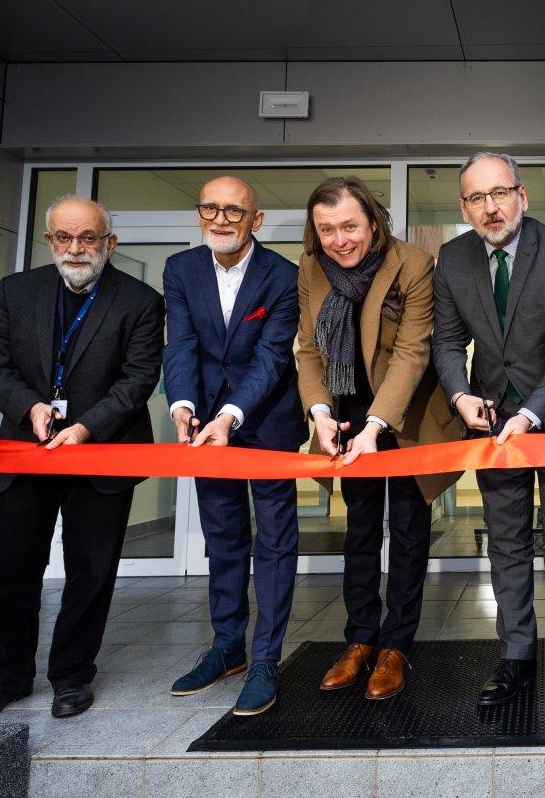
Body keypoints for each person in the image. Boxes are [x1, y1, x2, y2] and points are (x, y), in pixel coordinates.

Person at [0, 195, 164, 722]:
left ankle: (72, 675)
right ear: (49, 241)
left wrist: (85, 427)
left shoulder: (140, 300)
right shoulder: (15, 291)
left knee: (90, 571)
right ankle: (2, 678)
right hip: (27, 448)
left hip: (103, 452)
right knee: (9, 569)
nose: (76, 248)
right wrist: (31, 407)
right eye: (64, 237)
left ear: (109, 243)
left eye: (88, 237)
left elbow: (138, 379)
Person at [431, 151, 545, 725]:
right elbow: (447, 342)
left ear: (522, 196)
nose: (491, 207)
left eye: (500, 193)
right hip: (490, 415)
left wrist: (528, 414)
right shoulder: (453, 258)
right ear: (464, 208)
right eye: (477, 198)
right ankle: (517, 655)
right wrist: (460, 395)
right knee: (504, 539)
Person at [295, 177, 461, 700]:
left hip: (406, 419)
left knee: (409, 531)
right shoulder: (310, 267)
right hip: (345, 417)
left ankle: (395, 646)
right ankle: (361, 639)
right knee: (360, 531)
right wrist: (320, 412)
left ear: (373, 221)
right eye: (327, 230)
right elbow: (309, 348)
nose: (339, 240)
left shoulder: (413, 263)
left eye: (350, 226)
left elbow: (412, 352)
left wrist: (377, 424)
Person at [163, 176, 307, 716]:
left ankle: (266, 658)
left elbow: (272, 357)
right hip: (204, 422)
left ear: (256, 219)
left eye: (234, 211)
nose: (220, 220)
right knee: (223, 536)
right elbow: (180, 343)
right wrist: (182, 404)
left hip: (266, 421)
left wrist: (230, 414)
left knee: (274, 541)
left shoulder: (284, 276)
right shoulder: (181, 269)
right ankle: (228, 648)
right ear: (199, 213)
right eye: (210, 209)